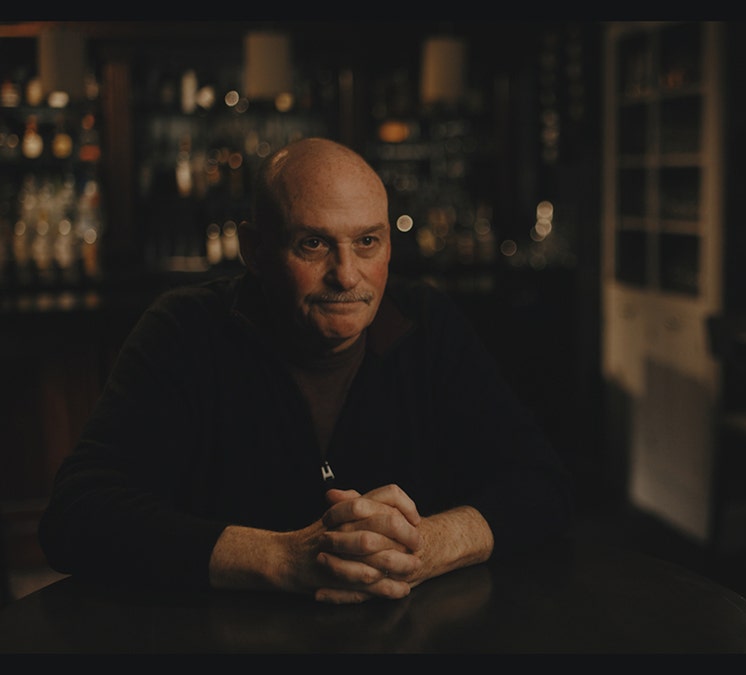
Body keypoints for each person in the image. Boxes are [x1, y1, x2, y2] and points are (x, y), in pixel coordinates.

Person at [38, 138, 574, 604]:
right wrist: (281, 559)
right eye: (313, 243)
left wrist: (426, 546)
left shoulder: (425, 323)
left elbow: (541, 481)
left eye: (368, 242)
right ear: (255, 249)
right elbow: (77, 515)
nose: (346, 275)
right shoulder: (185, 330)